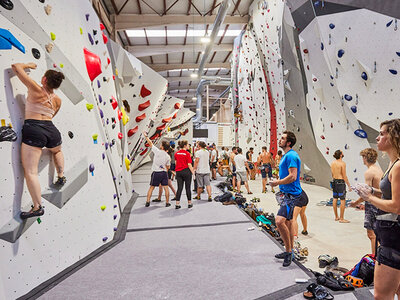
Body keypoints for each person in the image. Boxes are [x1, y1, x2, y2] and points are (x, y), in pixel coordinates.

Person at [353, 120, 400, 299]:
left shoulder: (398, 166)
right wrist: (373, 191)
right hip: (391, 234)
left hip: (393, 238)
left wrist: (369, 198)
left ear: (394, 136)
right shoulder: (392, 164)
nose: (377, 137)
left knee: (381, 296)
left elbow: (397, 205)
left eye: (382, 133)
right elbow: (391, 194)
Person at [13, 63, 66, 219]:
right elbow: (52, 115)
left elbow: (16, 66)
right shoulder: (58, 100)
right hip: (51, 129)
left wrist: (29, 65)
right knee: (57, 150)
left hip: (34, 128)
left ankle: (37, 207)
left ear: (44, 79)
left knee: (30, 172)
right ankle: (61, 175)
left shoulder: (36, 88)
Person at [270, 131, 304, 267]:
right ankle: (289, 251)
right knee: (288, 223)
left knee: (279, 221)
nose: (280, 140)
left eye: (283, 138)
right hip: (286, 194)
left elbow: (293, 176)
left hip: (292, 196)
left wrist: (276, 183)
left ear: (288, 142)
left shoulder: (291, 156)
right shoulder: (287, 156)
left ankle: (289, 252)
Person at [349, 148, 383, 255]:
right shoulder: (378, 169)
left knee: (371, 234)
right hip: (379, 203)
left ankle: (375, 259)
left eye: (362, 157)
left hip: (372, 205)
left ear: (365, 158)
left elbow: (366, 193)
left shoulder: (369, 172)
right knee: (376, 234)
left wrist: (355, 203)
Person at [143, 133, 171, 207]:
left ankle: (147, 201)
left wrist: (146, 136)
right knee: (166, 188)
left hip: (156, 173)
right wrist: (165, 170)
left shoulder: (157, 151)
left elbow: (150, 143)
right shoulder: (168, 156)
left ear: (162, 147)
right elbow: (168, 167)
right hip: (164, 173)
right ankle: (167, 202)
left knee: (152, 187)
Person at [330, 150, 352, 223]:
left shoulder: (332, 163)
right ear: (340, 155)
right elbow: (344, 175)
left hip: (334, 181)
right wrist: (349, 185)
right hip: (341, 183)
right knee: (342, 200)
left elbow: (332, 174)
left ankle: (336, 217)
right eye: (342, 153)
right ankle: (342, 218)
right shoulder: (342, 163)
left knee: (335, 198)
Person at [174, 140, 195, 209]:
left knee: (179, 188)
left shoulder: (176, 153)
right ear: (185, 146)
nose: (189, 146)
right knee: (187, 188)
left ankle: (177, 204)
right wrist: (193, 173)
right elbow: (189, 164)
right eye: (188, 145)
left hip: (179, 172)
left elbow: (176, 163)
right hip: (186, 172)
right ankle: (189, 203)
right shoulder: (187, 154)